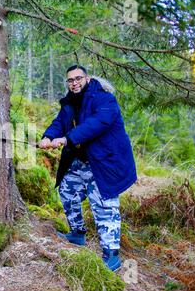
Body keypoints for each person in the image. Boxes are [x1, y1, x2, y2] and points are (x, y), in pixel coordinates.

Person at [39, 65, 137, 271]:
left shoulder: (104, 99)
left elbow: (96, 124)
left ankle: (112, 255)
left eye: (78, 79)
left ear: (87, 78)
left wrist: (67, 139)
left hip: (105, 162)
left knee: (104, 206)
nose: (74, 83)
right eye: (70, 80)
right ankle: (77, 233)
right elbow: (60, 122)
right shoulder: (70, 102)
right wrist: (47, 136)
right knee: (67, 190)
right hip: (82, 161)